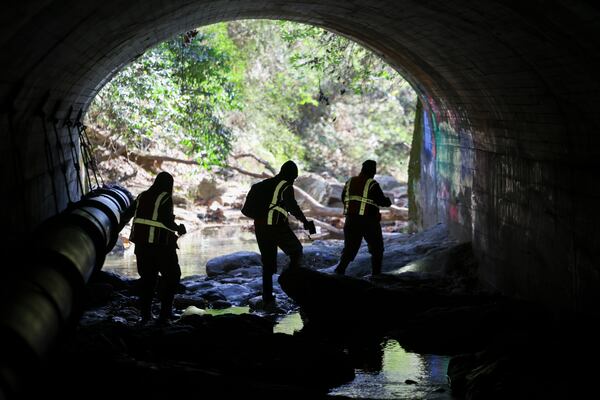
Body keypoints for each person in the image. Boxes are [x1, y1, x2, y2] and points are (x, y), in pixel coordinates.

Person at [247, 160, 314, 306]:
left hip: (261, 227)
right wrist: (305, 221)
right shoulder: (285, 186)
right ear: (288, 174)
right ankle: (292, 283)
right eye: (293, 177)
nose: (293, 180)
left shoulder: (261, 185)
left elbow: (247, 210)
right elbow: (293, 207)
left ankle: (267, 298)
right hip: (277, 226)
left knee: (268, 262)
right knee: (296, 251)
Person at [129, 171, 187, 324]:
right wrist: (179, 228)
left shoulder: (142, 196)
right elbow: (166, 220)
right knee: (172, 276)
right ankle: (165, 315)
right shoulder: (165, 197)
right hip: (161, 246)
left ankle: (146, 316)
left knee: (148, 280)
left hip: (141, 247)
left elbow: (128, 213)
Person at [334, 160, 391, 276]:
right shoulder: (372, 184)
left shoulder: (350, 182)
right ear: (372, 170)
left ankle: (339, 271)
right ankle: (376, 275)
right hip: (368, 221)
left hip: (350, 220)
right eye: (374, 169)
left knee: (349, 249)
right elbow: (382, 201)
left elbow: (343, 198)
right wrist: (388, 201)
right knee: (377, 249)